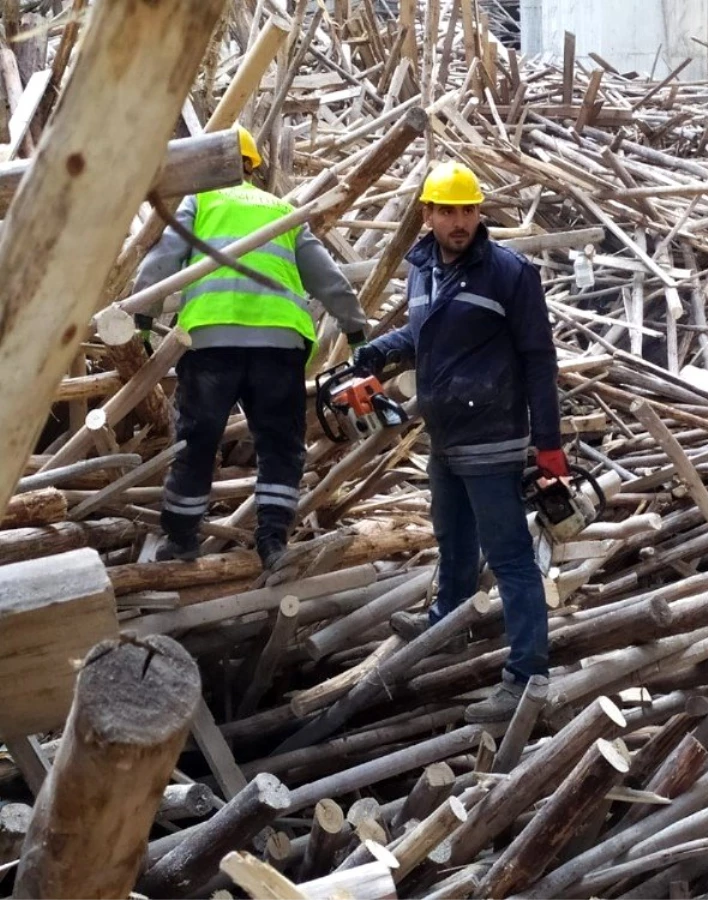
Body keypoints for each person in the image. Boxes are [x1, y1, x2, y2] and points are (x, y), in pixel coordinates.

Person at [353, 161, 565, 723]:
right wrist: (379, 351)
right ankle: (448, 625)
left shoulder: (508, 273)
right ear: (427, 215)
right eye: (447, 210)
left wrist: (549, 446)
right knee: (451, 537)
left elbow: (540, 359)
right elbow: (425, 333)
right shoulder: (422, 270)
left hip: (493, 435)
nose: (459, 222)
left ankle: (526, 678)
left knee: (511, 557)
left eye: (467, 210)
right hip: (443, 434)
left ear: (479, 213)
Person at [133, 127, 369, 567]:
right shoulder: (283, 209)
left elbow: (162, 259)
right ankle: (273, 541)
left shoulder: (199, 201)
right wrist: (355, 329)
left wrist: (141, 319)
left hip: (210, 343)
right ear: (251, 167)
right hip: (278, 345)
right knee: (280, 444)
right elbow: (328, 278)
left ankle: (182, 541)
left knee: (197, 441)